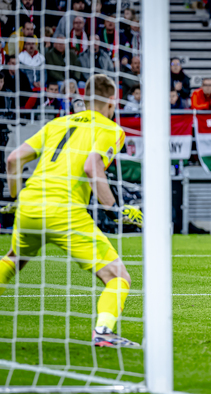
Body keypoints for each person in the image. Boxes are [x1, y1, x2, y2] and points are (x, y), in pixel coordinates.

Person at [0, 74, 142, 347]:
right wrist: (115, 210)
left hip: (30, 205)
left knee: (13, 260)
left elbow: (13, 159)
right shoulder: (111, 129)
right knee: (118, 277)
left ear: (85, 99)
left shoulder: (57, 123)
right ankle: (103, 331)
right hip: (65, 210)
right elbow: (92, 166)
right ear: (111, 101)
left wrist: (17, 199)